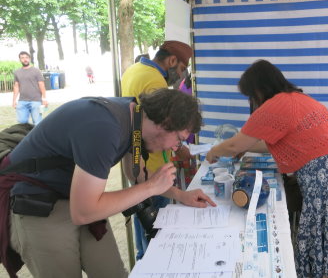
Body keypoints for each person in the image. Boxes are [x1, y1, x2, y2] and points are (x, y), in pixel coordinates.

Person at [1, 88, 215, 278]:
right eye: (178, 140)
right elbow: (83, 212)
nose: (175, 148)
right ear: (165, 124)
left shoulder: (137, 119)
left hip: (75, 196)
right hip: (37, 201)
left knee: (111, 273)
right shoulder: (105, 127)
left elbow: (137, 175)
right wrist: (151, 187)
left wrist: (180, 195)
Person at [206, 60, 328, 278]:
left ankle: (316, 271)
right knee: (327, 227)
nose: (252, 101)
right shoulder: (295, 98)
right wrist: (243, 147)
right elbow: (267, 143)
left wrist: (214, 150)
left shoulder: (277, 104)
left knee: (319, 228)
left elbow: (235, 144)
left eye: (250, 95)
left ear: (258, 89)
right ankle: (324, 267)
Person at [121, 40, 194, 259]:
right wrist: (179, 147)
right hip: (154, 167)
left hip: (136, 163)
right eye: (181, 68)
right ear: (172, 60)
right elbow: (165, 127)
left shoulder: (132, 71)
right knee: (156, 236)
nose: (179, 75)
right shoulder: (156, 82)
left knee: (142, 226)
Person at [12, 51, 48, 125]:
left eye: (26, 58)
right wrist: (14, 100)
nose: (25, 59)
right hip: (22, 101)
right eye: (22, 58)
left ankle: (37, 136)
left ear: (29, 59)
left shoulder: (36, 71)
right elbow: (16, 86)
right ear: (20, 59)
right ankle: (27, 136)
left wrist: (44, 99)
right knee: (22, 122)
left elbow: (42, 85)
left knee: (37, 123)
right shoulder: (17, 72)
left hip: (36, 101)